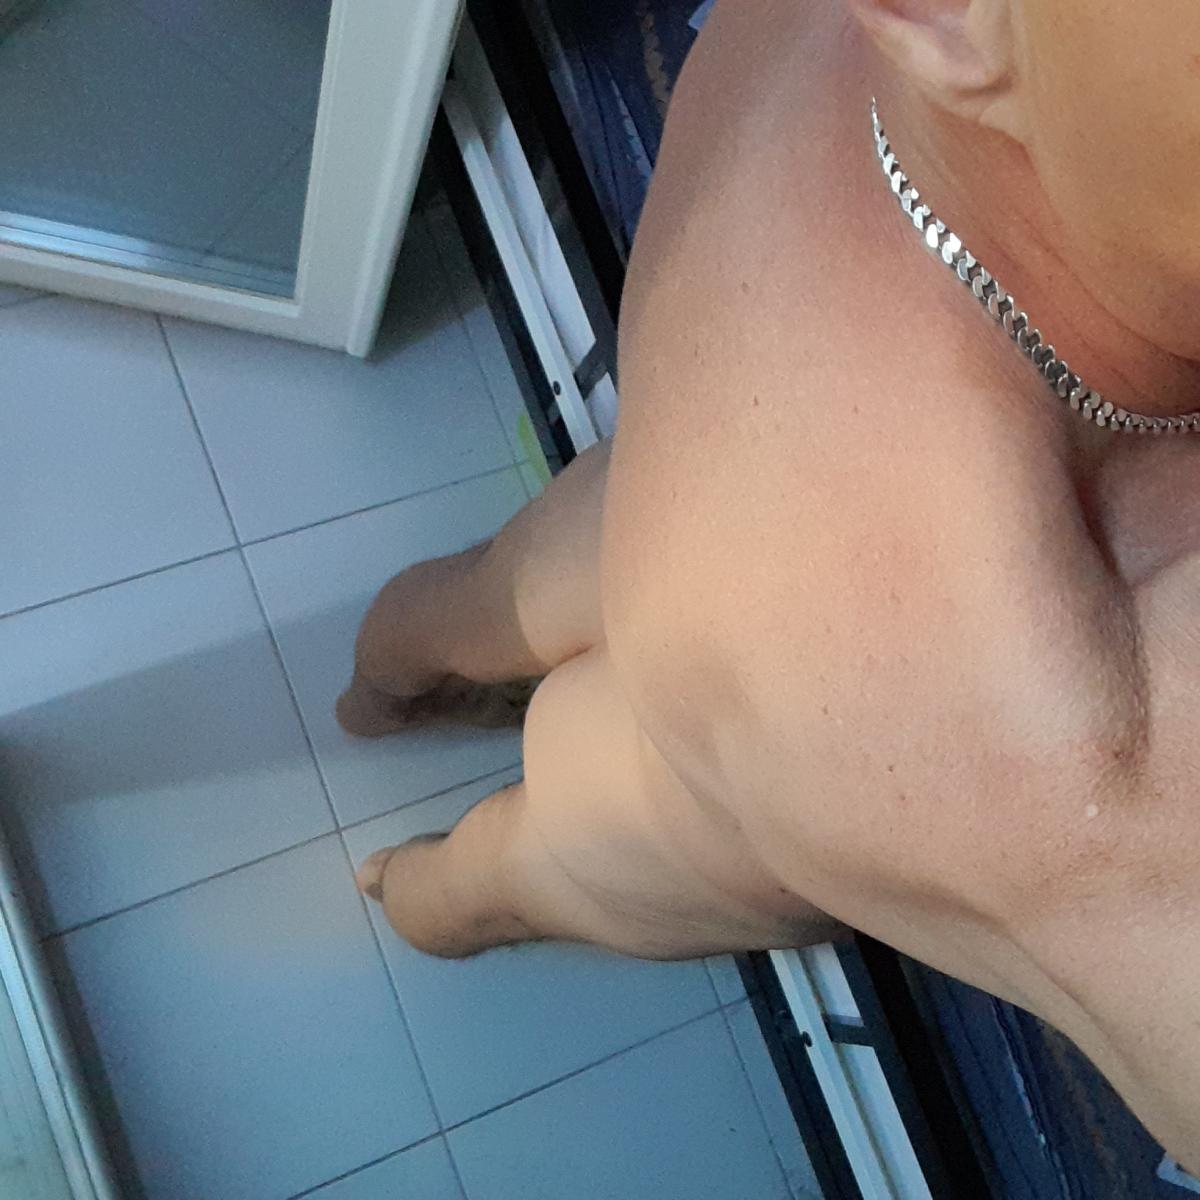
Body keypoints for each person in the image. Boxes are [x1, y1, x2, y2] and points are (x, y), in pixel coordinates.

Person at [339, 0, 1200, 1169]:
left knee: (478, 597)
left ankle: (378, 696)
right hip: (732, 753)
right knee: (515, 870)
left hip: (693, 455)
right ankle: (415, 895)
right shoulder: (1110, 763)